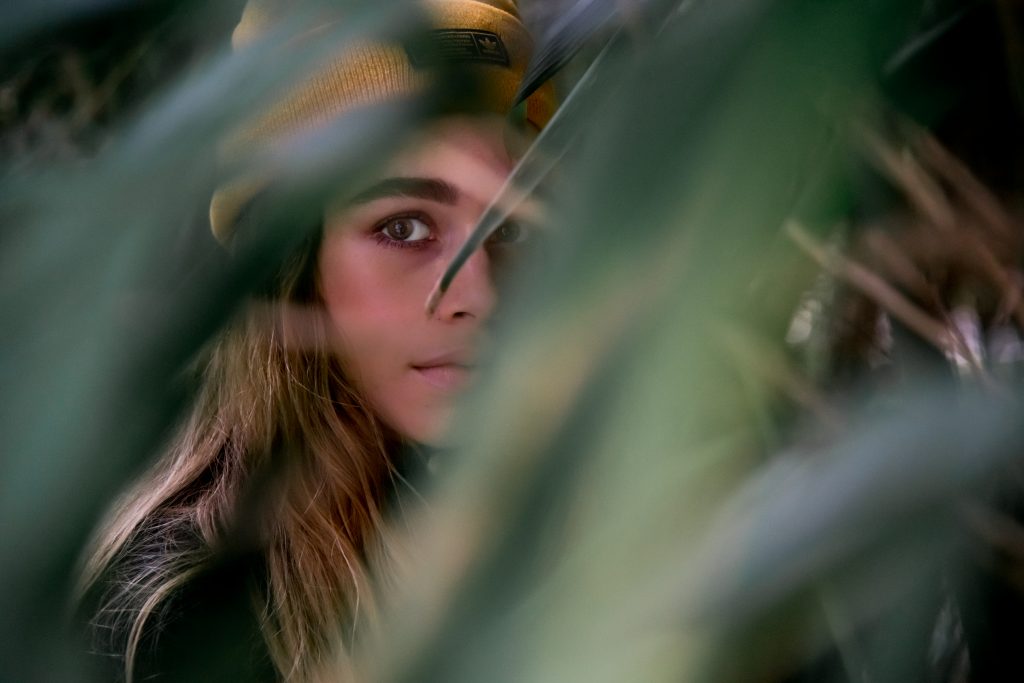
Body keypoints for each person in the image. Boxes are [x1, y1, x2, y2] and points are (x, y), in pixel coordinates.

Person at [77, 1, 555, 681]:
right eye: (405, 228)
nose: (483, 293)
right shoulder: (176, 619)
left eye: (509, 228)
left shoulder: (551, 528)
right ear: (289, 265)